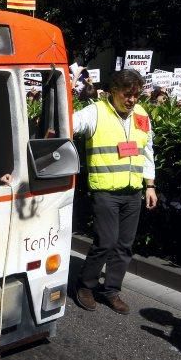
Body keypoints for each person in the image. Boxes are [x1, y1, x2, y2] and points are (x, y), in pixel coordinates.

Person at [73, 69, 158, 314]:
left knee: (124, 245)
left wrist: (149, 185)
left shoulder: (141, 115)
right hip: (105, 191)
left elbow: (148, 150)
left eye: (136, 95)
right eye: (127, 94)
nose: (132, 100)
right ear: (113, 91)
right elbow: (69, 124)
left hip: (132, 191)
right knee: (106, 242)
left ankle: (110, 290)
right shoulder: (95, 112)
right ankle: (86, 285)